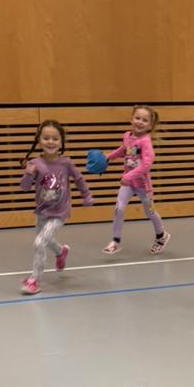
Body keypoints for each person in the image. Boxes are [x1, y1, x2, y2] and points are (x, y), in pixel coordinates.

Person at [19, 119, 93, 295]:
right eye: (46, 138)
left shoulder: (66, 163)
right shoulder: (35, 163)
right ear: (39, 140)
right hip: (42, 211)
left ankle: (34, 281)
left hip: (59, 212)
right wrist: (28, 174)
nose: (50, 142)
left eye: (55, 138)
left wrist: (86, 195)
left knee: (39, 243)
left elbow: (79, 179)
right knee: (46, 239)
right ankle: (61, 252)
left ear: (61, 142)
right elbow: (24, 187)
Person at [104, 105, 169, 255]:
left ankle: (161, 236)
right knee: (119, 208)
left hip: (143, 186)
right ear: (131, 119)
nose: (140, 122)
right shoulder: (127, 136)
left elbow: (146, 165)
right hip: (129, 184)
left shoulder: (146, 142)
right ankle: (116, 241)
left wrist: (128, 176)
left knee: (150, 212)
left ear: (150, 125)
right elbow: (123, 149)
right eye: (137, 118)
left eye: (144, 120)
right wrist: (108, 157)